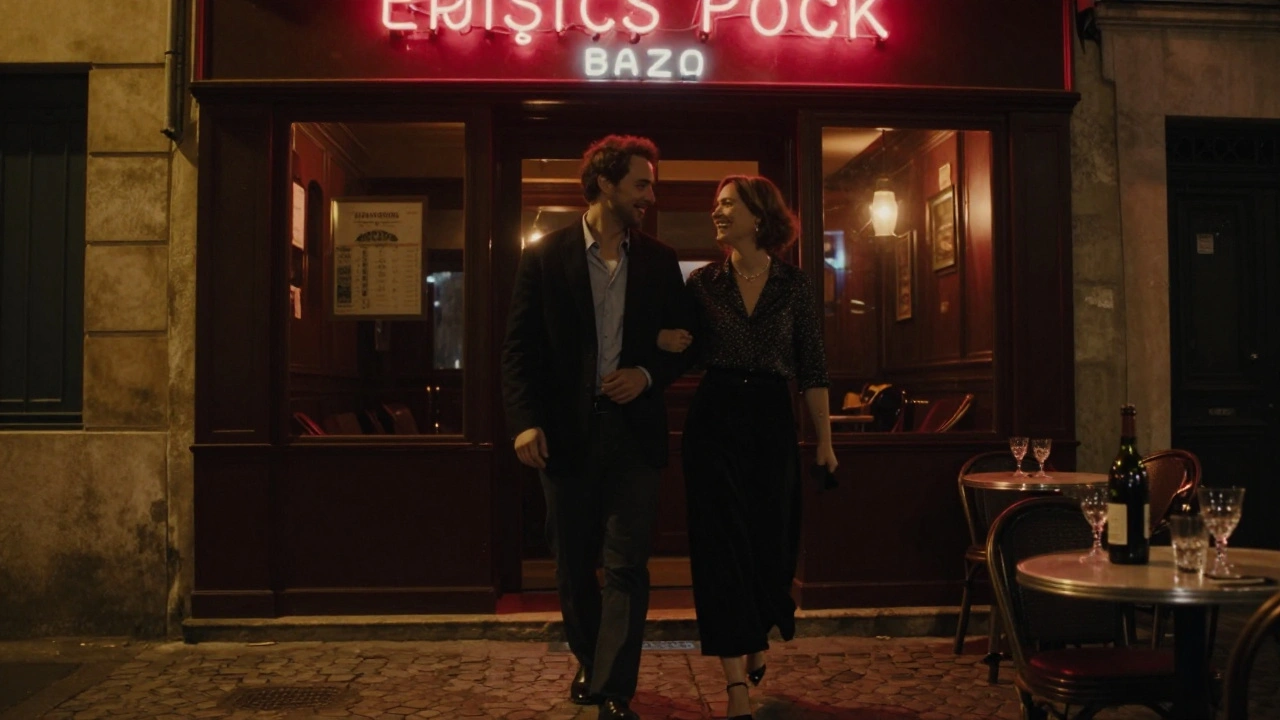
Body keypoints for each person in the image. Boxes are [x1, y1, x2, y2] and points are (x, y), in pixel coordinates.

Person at [501, 135, 693, 720]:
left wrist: (646, 373)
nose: (650, 196)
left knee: (628, 564)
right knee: (572, 563)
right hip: (565, 435)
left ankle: (613, 688)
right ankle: (591, 660)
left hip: (634, 435)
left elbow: (687, 343)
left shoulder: (660, 260)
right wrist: (525, 423)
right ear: (605, 184)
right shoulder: (545, 256)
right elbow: (518, 350)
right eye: (641, 184)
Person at [657, 175, 837, 720]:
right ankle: (735, 683)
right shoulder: (703, 283)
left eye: (727, 204)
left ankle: (756, 630)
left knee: (770, 545)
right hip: (714, 420)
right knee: (720, 548)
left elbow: (813, 368)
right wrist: (660, 340)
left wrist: (825, 443)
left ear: (758, 216)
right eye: (716, 204)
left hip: (770, 420)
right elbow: (680, 347)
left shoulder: (794, 285)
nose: (717, 212)